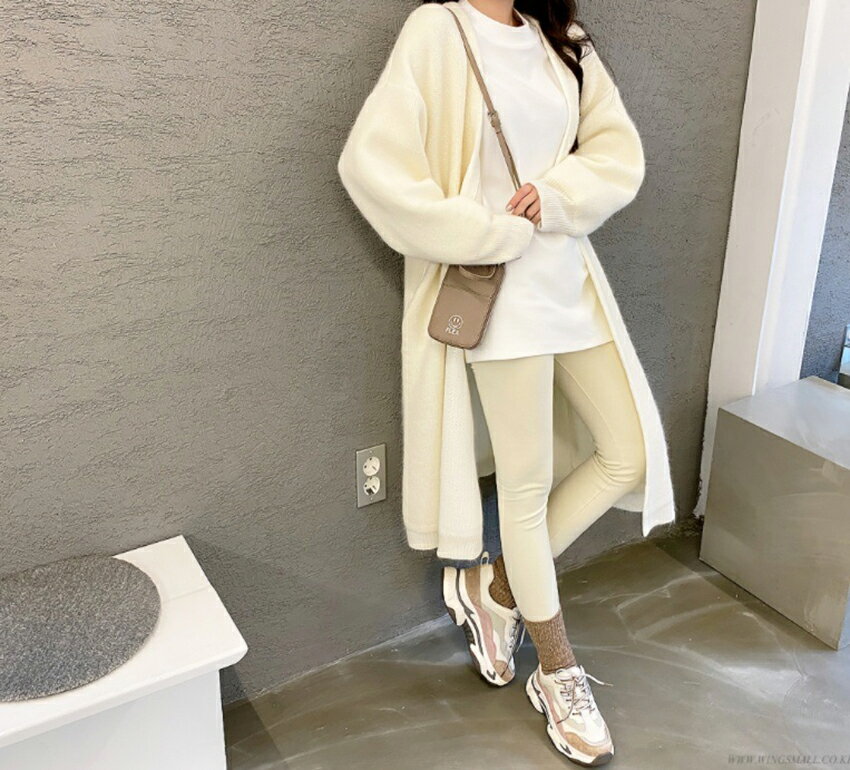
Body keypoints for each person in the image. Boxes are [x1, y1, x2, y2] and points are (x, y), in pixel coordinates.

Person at [337, 0, 676, 765]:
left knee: (627, 453)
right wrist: (482, 231)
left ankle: (495, 591)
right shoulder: (438, 29)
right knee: (527, 486)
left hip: (570, 282)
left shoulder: (563, 41)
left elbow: (617, 153)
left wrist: (557, 198)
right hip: (498, 296)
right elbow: (371, 164)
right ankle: (557, 672)